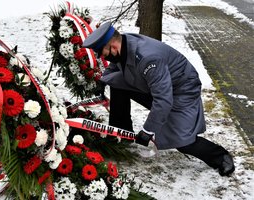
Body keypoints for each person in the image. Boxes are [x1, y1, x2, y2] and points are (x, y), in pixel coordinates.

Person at [82, 21, 235, 176]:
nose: (104, 58)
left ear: (113, 47)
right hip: (156, 85)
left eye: (104, 54)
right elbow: (116, 66)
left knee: (183, 141)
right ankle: (121, 135)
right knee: (116, 83)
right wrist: (104, 79)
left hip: (182, 91)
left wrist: (148, 130)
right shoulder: (123, 43)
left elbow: (163, 100)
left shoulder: (148, 58)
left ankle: (221, 157)